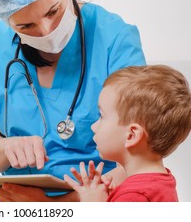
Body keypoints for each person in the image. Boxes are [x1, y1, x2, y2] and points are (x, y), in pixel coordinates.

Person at [0, 0, 146, 202]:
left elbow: (140, 158)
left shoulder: (115, 38)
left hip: (94, 200)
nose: (46, 30)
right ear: (6, 20)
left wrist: (52, 207)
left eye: (53, 11)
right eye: (26, 25)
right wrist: (6, 147)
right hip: (14, 201)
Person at [63, 65, 191, 202]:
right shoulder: (161, 182)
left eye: (102, 116)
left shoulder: (135, 195)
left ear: (131, 135)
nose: (94, 127)